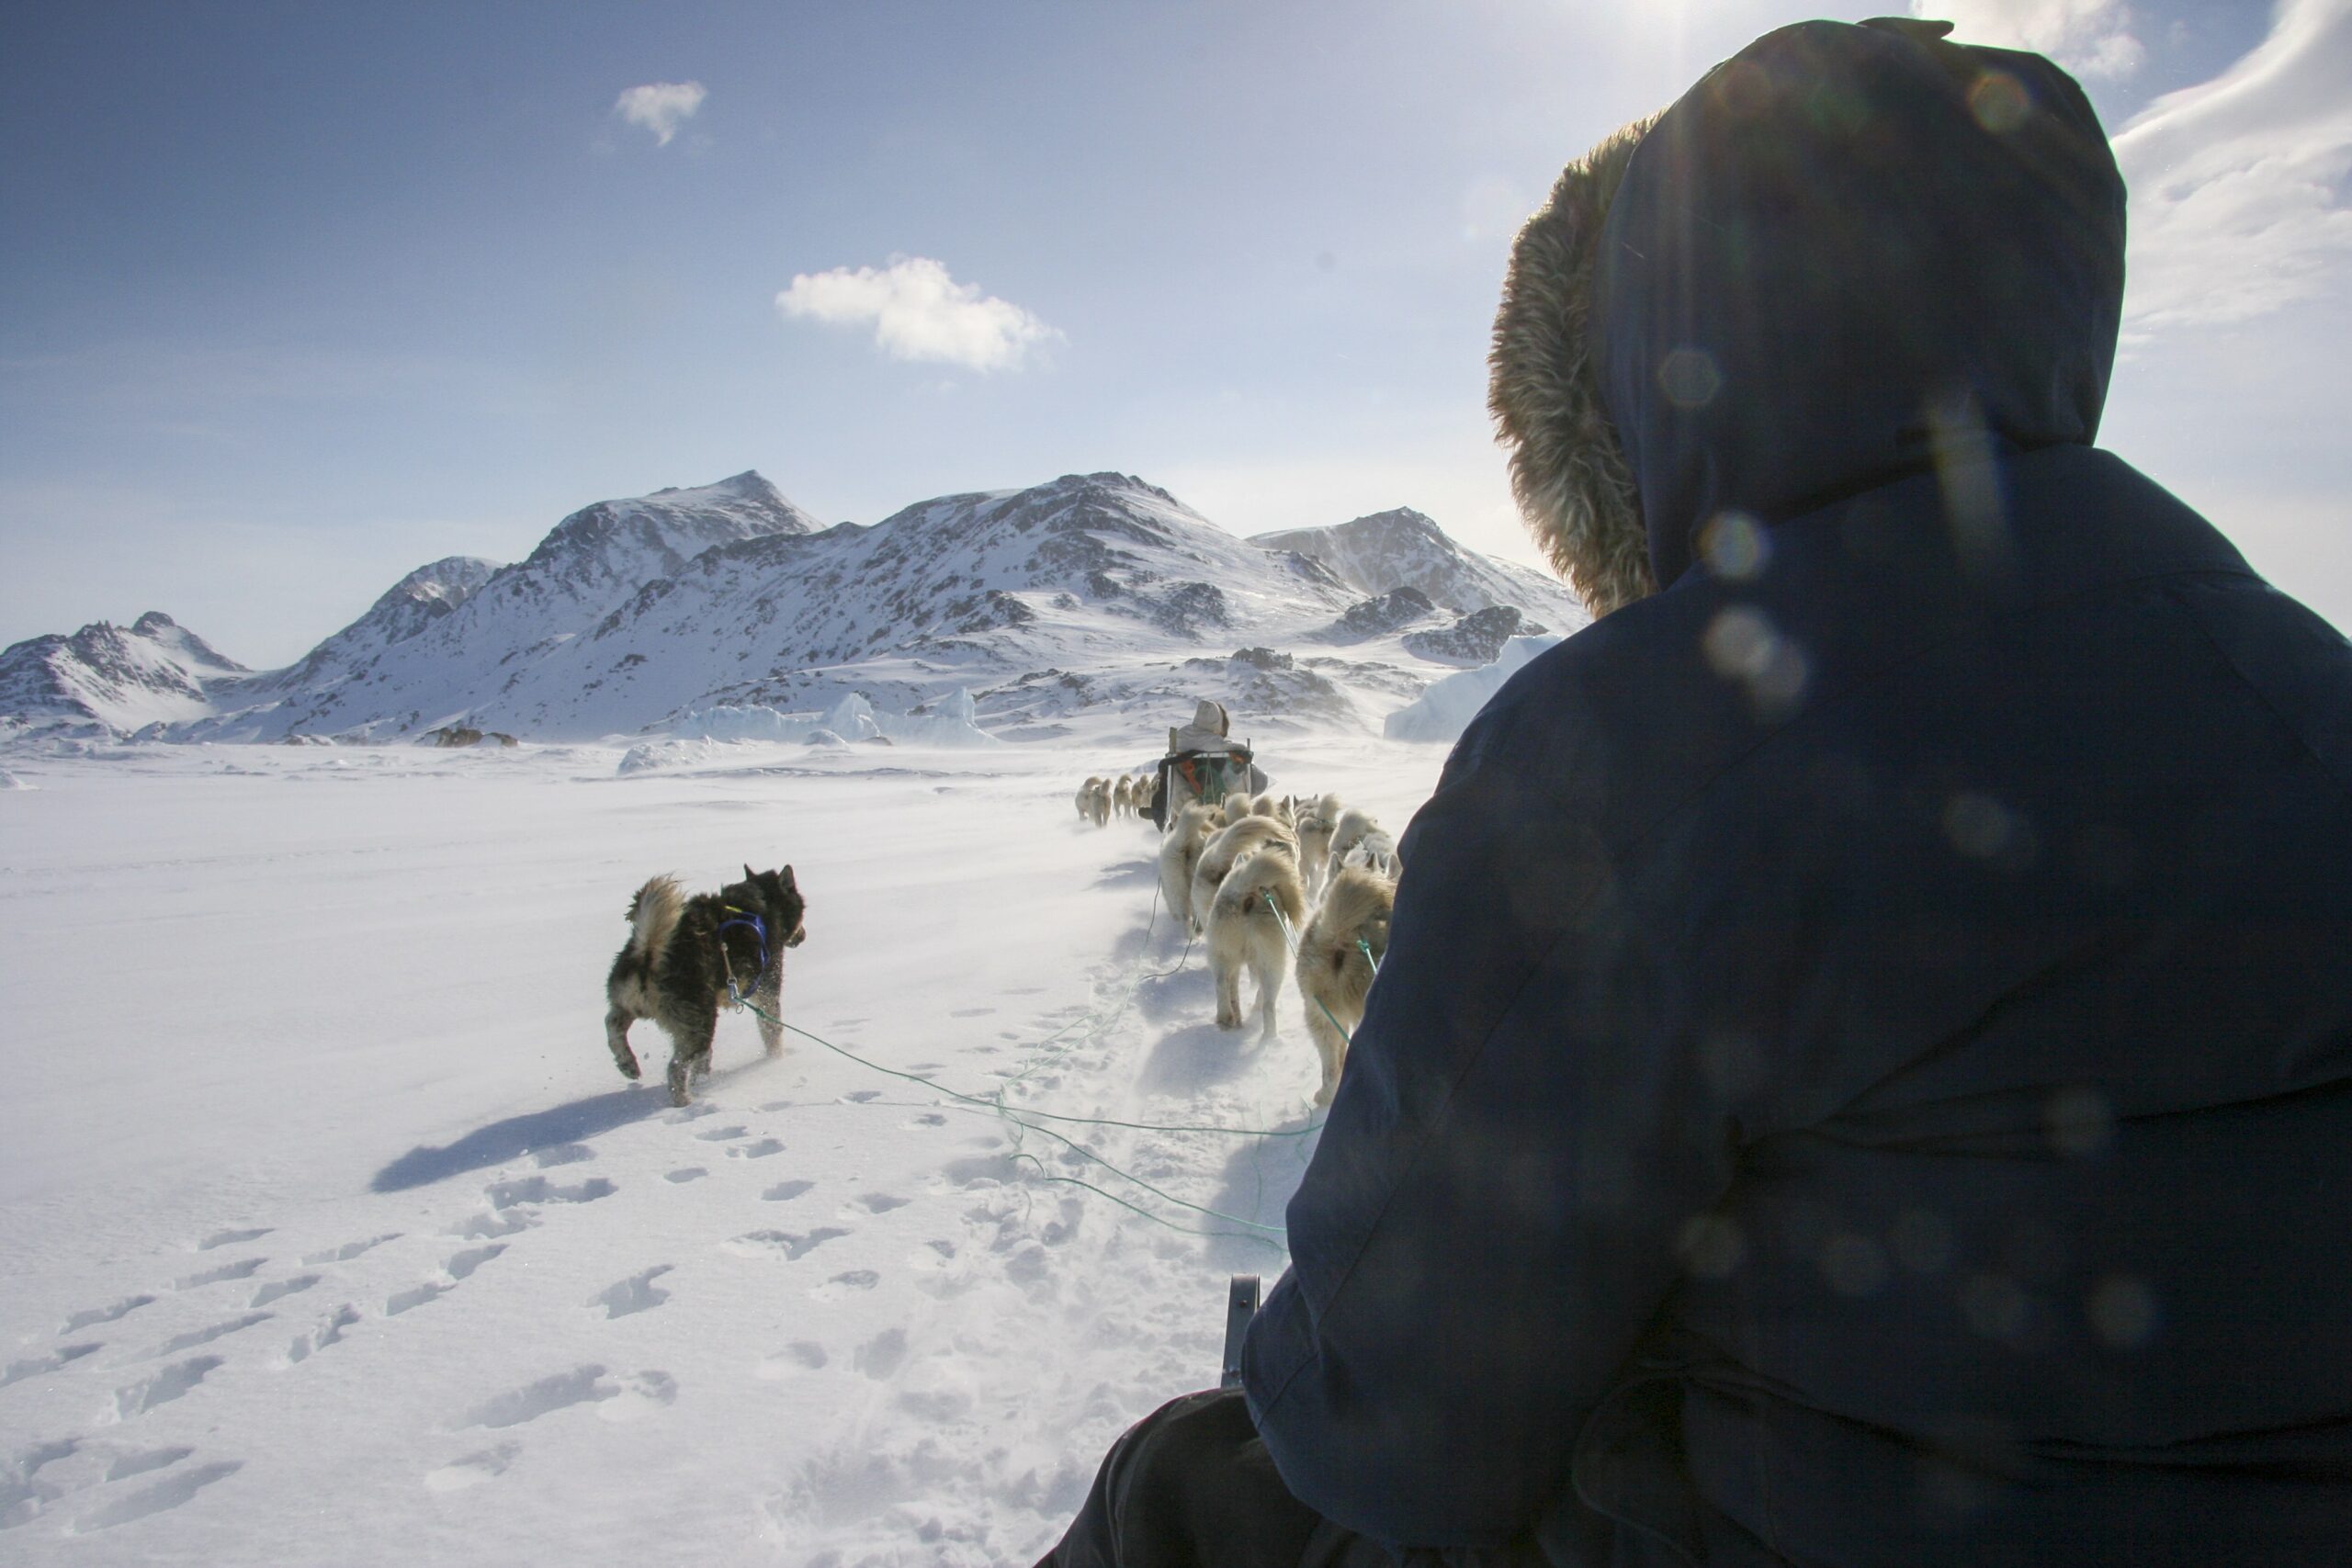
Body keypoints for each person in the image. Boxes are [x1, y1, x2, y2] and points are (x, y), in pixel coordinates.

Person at [1039, 17, 2352, 1566]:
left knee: (1191, 1503)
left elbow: (1382, 1423)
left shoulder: (1630, 759)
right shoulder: (2300, 678)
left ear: (1653, 382)